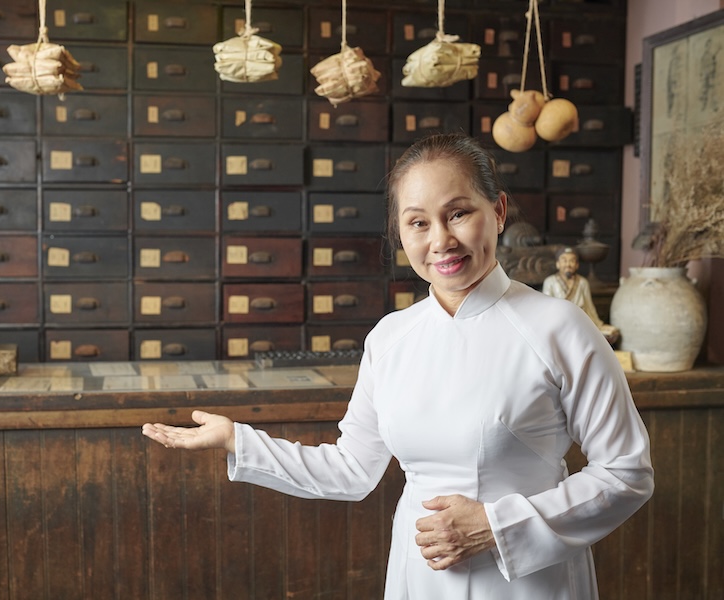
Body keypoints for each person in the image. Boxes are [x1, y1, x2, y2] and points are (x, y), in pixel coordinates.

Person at [143, 134, 654, 599]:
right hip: (421, 579)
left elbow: (626, 473)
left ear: (497, 212)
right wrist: (238, 440)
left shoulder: (560, 327)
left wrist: (495, 526)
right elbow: (352, 471)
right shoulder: (390, 338)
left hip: (528, 582)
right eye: (418, 222)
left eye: (458, 214)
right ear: (401, 232)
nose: (440, 241)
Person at [543, 246, 621, 344]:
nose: (568, 264)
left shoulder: (582, 282)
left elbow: (589, 307)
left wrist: (598, 324)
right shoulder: (550, 282)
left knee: (612, 333)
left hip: (579, 323)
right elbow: (547, 309)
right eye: (564, 261)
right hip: (559, 323)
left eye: (572, 261)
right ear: (558, 264)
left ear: (577, 265)